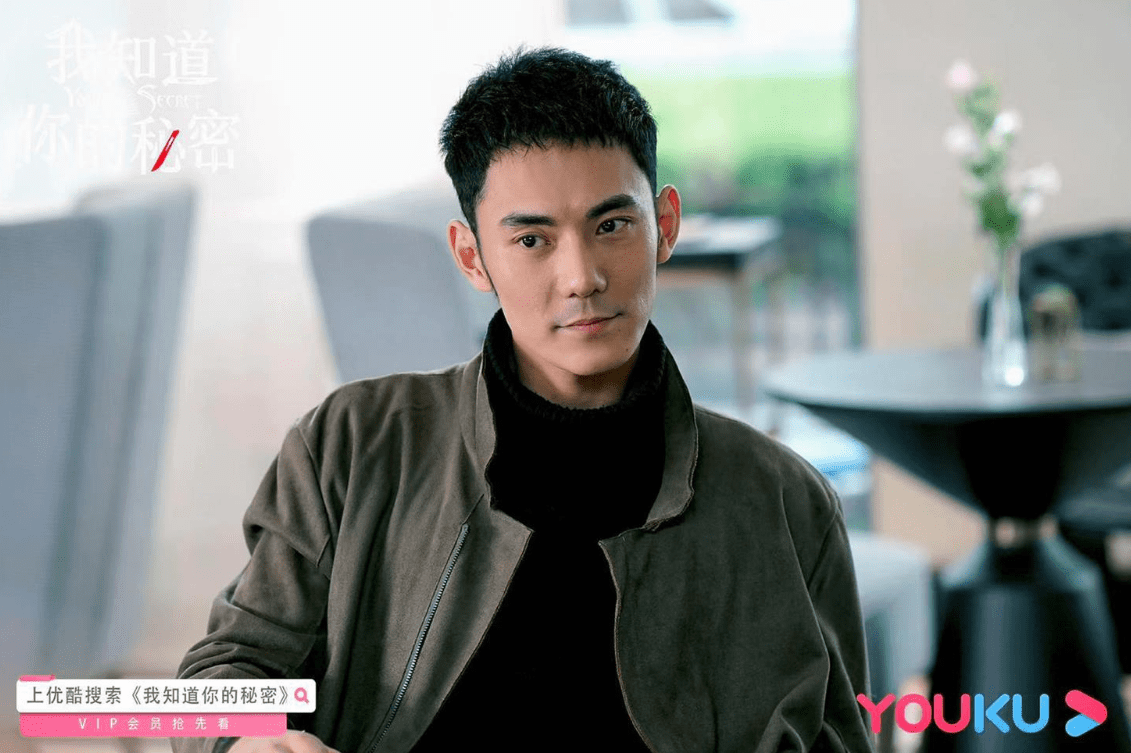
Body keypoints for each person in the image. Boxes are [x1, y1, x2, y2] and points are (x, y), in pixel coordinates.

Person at [173, 47, 874, 753]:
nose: (581, 277)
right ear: (471, 255)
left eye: (611, 226)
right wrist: (246, 742)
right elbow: (220, 677)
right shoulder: (353, 445)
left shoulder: (782, 502)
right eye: (533, 239)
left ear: (664, 224)